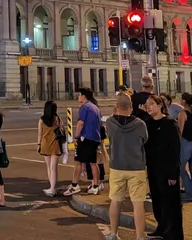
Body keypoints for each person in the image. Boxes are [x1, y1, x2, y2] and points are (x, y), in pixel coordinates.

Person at [104, 92, 148, 240]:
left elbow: (108, 134)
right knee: (138, 203)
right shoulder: (140, 124)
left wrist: (115, 111)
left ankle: (113, 233)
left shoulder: (110, 122)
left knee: (116, 201)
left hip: (117, 166)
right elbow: (145, 140)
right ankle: (140, 236)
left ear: (116, 107)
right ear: (131, 107)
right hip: (137, 167)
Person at [145, 95, 183, 240]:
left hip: (167, 171)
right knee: (157, 200)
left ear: (160, 105)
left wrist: (173, 175)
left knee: (170, 203)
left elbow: (175, 151)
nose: (148, 107)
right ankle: (161, 227)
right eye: (147, 104)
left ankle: (172, 233)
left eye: (151, 104)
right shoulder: (147, 123)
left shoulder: (170, 124)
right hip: (153, 168)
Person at [64, 88, 102, 196]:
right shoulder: (95, 107)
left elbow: (80, 123)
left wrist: (76, 137)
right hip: (95, 138)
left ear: (84, 96)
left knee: (78, 161)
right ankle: (95, 185)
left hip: (85, 138)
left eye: (79, 95)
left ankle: (75, 185)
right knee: (93, 163)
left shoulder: (84, 107)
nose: (78, 97)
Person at [178, 92, 192, 202]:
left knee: (180, 168)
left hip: (186, 143)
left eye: (181, 99)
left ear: (184, 101)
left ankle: (190, 193)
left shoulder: (183, 113)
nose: (179, 100)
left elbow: (180, 130)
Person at [38, 100, 63, 196]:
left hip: (45, 145)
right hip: (56, 145)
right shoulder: (58, 119)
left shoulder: (41, 120)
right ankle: (53, 188)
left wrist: (38, 145)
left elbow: (40, 134)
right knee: (54, 167)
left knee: (49, 167)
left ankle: (51, 188)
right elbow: (62, 131)